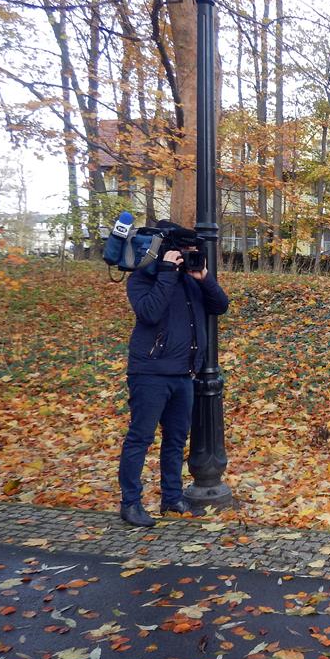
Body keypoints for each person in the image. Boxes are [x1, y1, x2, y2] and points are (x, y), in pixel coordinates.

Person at [117, 220, 230, 527]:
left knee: (176, 440)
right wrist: (166, 272)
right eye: (183, 251)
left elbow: (220, 305)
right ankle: (130, 503)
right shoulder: (142, 278)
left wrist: (204, 278)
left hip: (184, 374)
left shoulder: (190, 279)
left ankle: (172, 498)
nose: (186, 256)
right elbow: (149, 312)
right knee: (140, 438)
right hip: (150, 373)